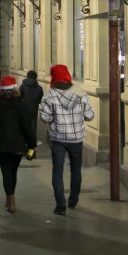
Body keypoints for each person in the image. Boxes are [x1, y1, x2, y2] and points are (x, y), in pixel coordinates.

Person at [40, 64, 95, 216]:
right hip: (76, 139)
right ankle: (73, 199)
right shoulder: (81, 93)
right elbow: (90, 115)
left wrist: (53, 118)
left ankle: (60, 205)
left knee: (57, 171)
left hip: (58, 138)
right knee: (76, 170)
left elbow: (45, 117)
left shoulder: (49, 95)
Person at [0, 76, 36, 213]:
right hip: (17, 144)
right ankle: (11, 198)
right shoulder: (21, 104)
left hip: (1, 144)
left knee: (6, 172)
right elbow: (27, 126)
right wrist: (32, 144)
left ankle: (10, 199)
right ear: (15, 88)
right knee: (13, 172)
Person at [19, 70, 44, 146]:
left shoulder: (22, 86)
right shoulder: (39, 88)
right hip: (33, 111)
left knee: (23, 129)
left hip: (23, 111)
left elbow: (19, 98)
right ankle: (32, 150)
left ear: (27, 76)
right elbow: (40, 100)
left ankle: (23, 148)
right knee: (33, 130)